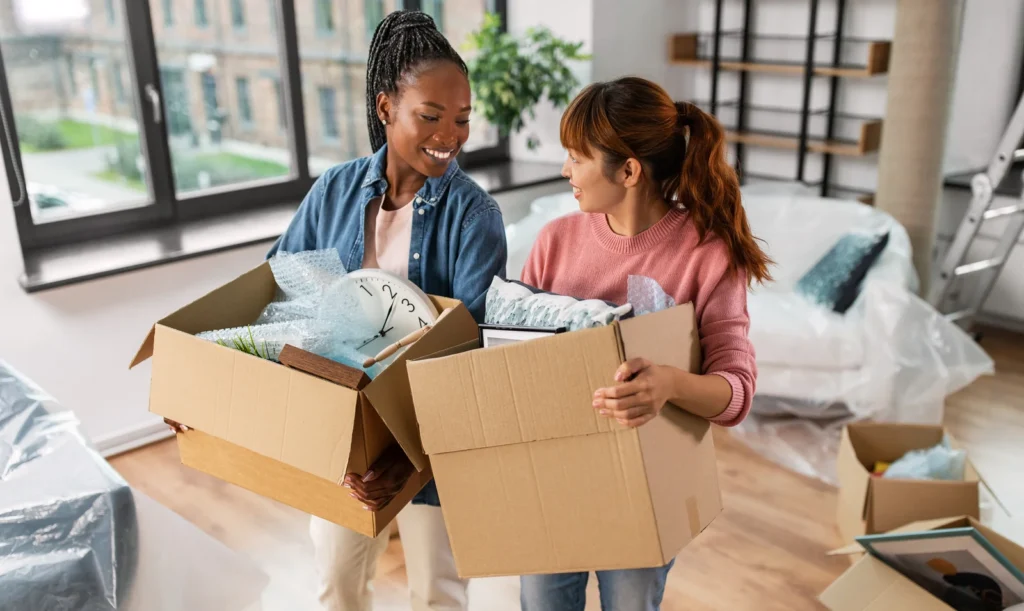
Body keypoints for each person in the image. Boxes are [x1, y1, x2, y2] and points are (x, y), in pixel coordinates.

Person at [266, 10, 506, 611]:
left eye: (462, 119)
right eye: (430, 116)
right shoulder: (335, 191)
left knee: (438, 595)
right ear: (384, 109)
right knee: (339, 589)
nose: (448, 135)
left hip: (431, 443)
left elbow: (471, 347)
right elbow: (280, 296)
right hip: (344, 435)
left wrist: (406, 455)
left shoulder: (474, 216)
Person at [517, 76, 771, 611]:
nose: (566, 171)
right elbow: (518, 359)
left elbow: (737, 393)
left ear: (628, 171)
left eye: (576, 158)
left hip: (645, 487)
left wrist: (670, 384)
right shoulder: (554, 241)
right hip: (553, 478)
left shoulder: (706, 253)